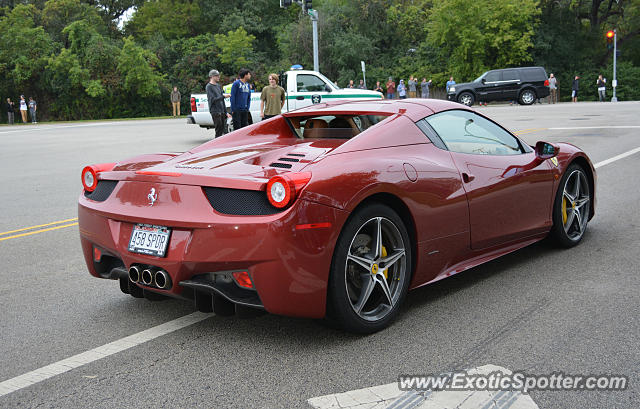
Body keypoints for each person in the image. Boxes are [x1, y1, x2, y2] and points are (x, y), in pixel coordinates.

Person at [206, 69, 231, 138]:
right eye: (217, 76)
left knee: (223, 129)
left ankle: (221, 145)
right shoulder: (209, 87)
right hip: (215, 111)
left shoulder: (218, 86)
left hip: (222, 111)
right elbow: (212, 99)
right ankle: (216, 145)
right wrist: (223, 96)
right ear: (212, 77)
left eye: (218, 75)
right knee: (218, 130)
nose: (218, 77)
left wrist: (226, 112)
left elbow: (222, 100)